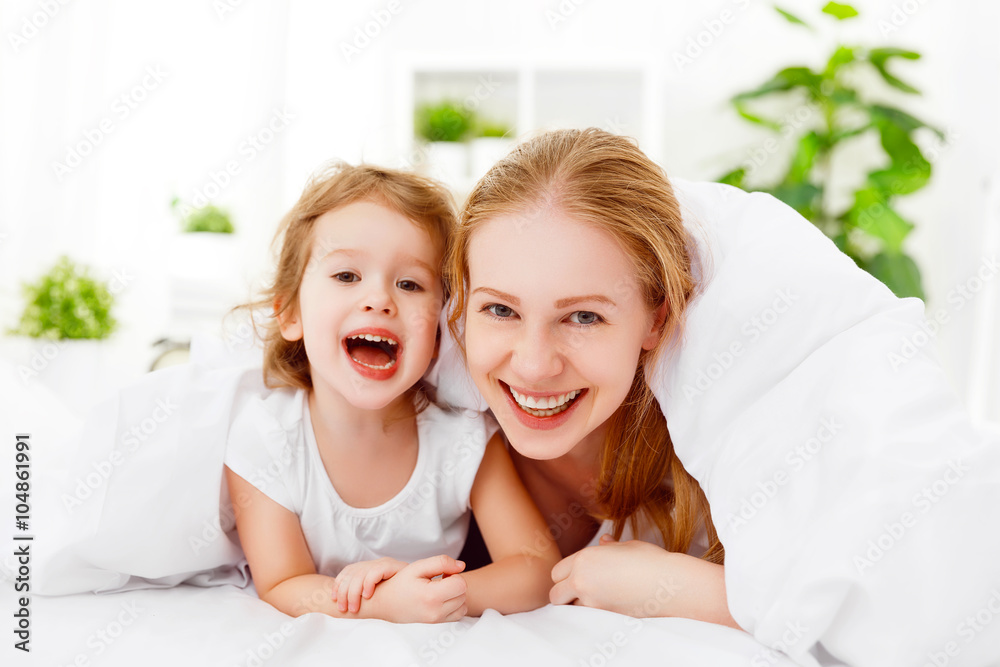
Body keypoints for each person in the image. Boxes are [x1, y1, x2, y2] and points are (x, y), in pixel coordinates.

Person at [224, 162, 560, 623]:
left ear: (441, 331)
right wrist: (384, 604)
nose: (379, 298)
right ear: (290, 314)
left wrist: (435, 594)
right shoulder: (265, 436)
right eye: (346, 276)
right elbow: (283, 582)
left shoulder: (465, 440)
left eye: (410, 284)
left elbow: (537, 570)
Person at [440, 128, 740, 627]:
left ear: (655, 318)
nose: (534, 365)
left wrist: (685, 588)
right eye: (499, 309)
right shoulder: (433, 433)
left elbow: (860, 614)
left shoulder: (715, 443)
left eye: (583, 317)